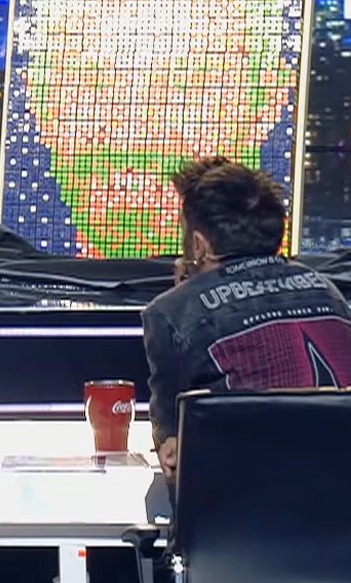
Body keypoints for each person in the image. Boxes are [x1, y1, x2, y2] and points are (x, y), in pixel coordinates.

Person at [143, 156, 351, 492]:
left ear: (198, 244)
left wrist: (188, 290)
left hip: (238, 525)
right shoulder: (329, 292)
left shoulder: (172, 310)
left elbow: (172, 449)